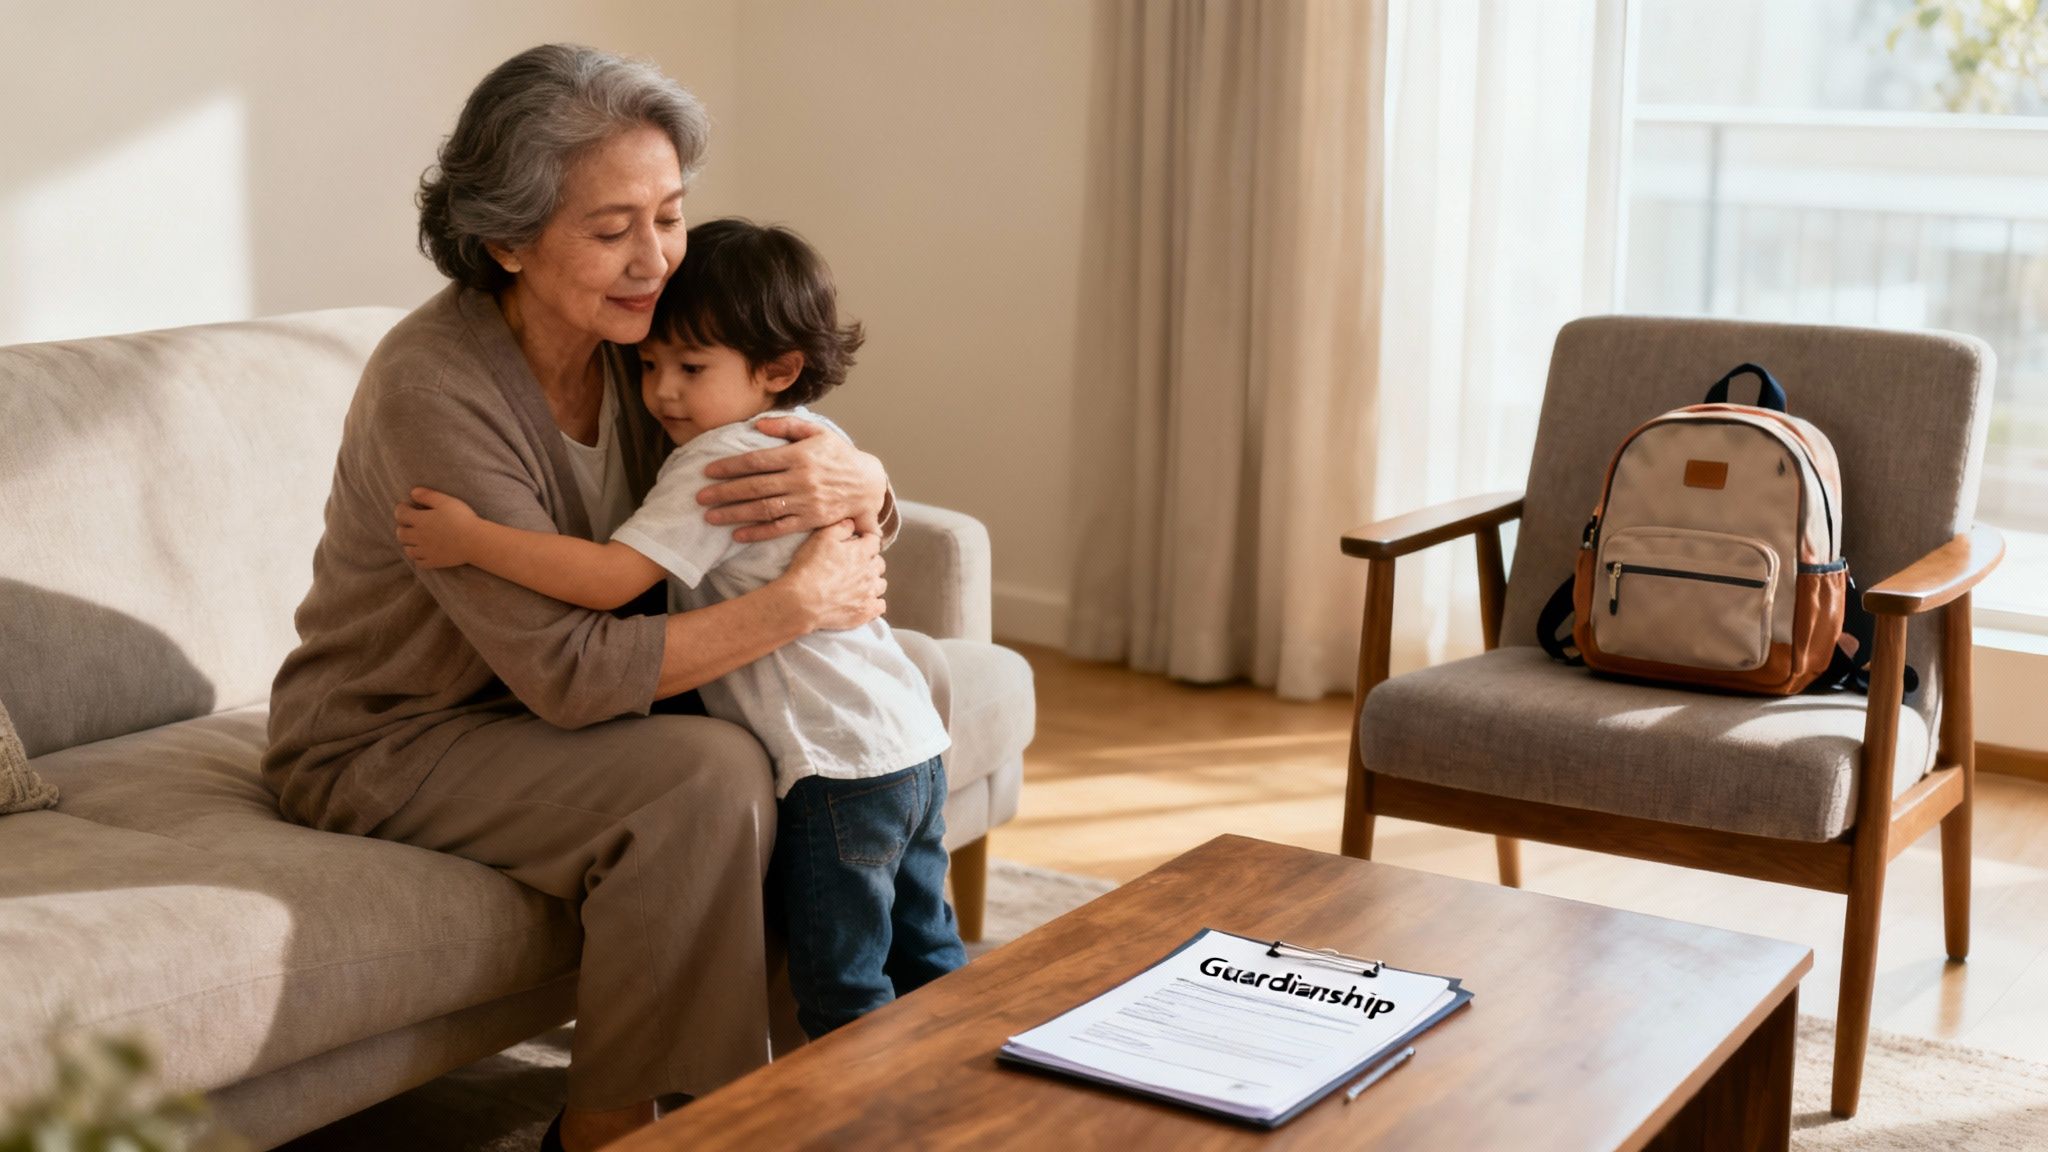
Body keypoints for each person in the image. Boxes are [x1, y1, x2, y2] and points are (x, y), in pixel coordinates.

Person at [262, 45, 898, 1152]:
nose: (654, 259)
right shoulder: (436, 386)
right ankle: (610, 1127)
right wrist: (793, 608)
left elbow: (765, 468)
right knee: (703, 777)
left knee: (879, 694)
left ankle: (816, 1078)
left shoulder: (643, 344)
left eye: (669, 214)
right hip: (396, 738)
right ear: (506, 239)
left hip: (543, 710)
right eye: (612, 230)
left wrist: (866, 485)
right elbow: (565, 674)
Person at [395, 217, 969, 1041]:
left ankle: (863, 1124)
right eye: (650, 364)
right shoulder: (817, 434)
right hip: (908, 746)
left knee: (842, 990)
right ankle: (969, 1099)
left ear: (778, 369)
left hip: (835, 769)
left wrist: (472, 540)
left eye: (690, 368)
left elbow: (610, 579)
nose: (661, 392)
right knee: (928, 959)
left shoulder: (711, 462)